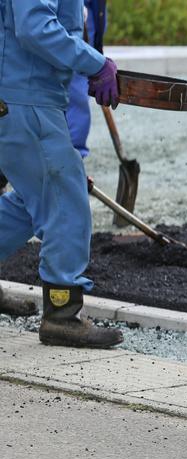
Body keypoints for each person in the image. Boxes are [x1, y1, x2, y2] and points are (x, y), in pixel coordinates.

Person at [0, 0, 123, 348]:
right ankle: (62, 314)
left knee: (28, 202)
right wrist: (95, 64)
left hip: (22, 94)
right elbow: (34, 27)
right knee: (65, 203)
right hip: (25, 95)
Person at [66, 0, 106, 159]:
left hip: (88, 18)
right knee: (75, 97)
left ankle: (74, 159)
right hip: (67, 29)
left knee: (78, 96)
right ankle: (71, 157)